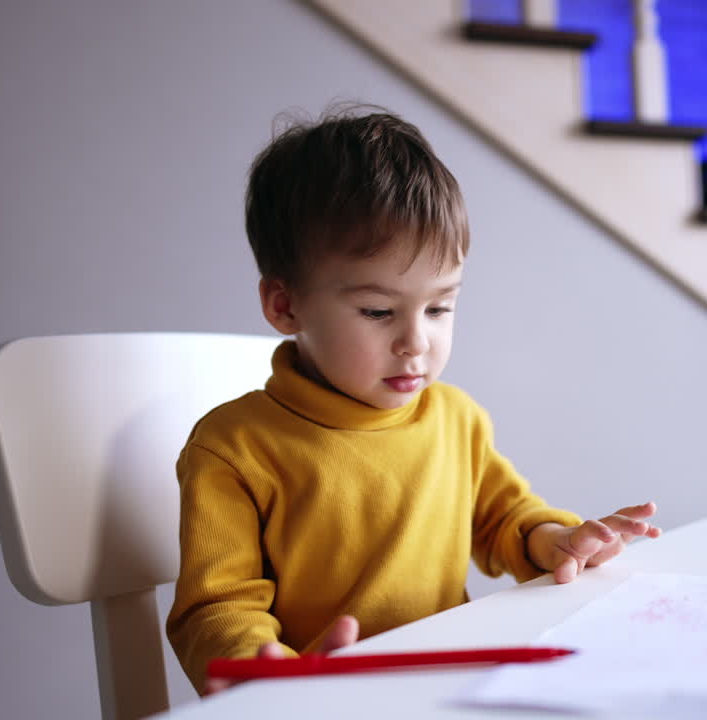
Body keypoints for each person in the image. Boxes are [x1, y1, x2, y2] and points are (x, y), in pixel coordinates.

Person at [165, 108, 661, 695]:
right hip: (318, 702)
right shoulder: (234, 448)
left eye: (439, 307)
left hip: (447, 688)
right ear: (284, 306)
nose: (415, 342)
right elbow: (216, 607)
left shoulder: (455, 418)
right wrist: (263, 667)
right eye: (378, 311)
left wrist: (555, 540)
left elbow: (505, 519)